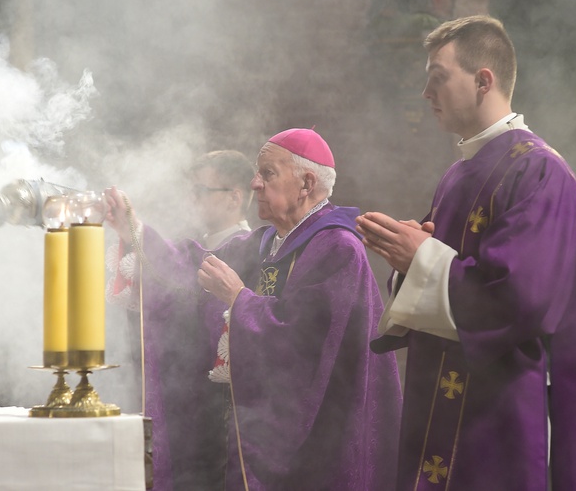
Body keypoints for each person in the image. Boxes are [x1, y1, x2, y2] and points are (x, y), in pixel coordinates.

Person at [356, 15, 576, 490]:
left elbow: (521, 299)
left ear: (483, 80)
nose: (426, 92)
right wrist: (408, 262)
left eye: (438, 77)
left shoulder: (540, 172)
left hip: (503, 414)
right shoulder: (459, 173)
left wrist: (422, 258)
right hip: (448, 404)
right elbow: (449, 276)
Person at [105, 128, 402, 490]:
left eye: (267, 173)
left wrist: (238, 300)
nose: (255, 183)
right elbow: (187, 276)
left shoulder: (337, 248)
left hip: (320, 444)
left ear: (306, 183)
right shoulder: (263, 245)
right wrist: (133, 228)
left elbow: (305, 345)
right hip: (248, 441)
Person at [187, 149, 255, 249]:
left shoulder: (250, 251)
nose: (192, 199)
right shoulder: (196, 247)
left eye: (200, 191)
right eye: (193, 191)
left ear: (234, 199)